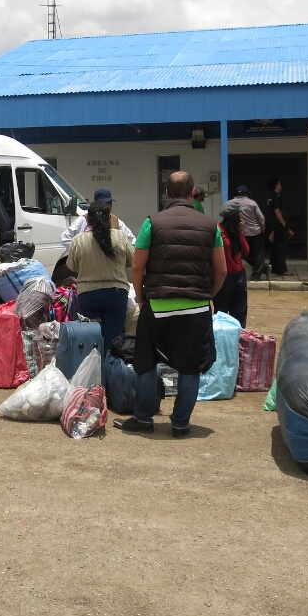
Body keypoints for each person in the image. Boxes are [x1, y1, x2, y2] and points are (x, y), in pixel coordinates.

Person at [116, 171, 226, 438]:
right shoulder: (211, 226)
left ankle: (143, 418)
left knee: (146, 361)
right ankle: (180, 423)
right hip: (196, 308)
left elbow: (137, 267)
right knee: (190, 366)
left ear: (166, 193)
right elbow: (222, 271)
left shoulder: (152, 223)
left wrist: (141, 298)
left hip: (158, 306)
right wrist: (206, 296)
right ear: (192, 193)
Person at [67, 201, 135, 349]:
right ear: (109, 217)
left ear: (87, 218)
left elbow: (71, 266)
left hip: (88, 295)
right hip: (116, 295)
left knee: (92, 341)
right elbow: (132, 260)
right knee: (114, 341)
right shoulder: (120, 237)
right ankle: (111, 362)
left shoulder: (78, 240)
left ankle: (94, 363)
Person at [60, 188, 136, 250]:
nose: (109, 206)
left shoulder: (115, 220)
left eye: (110, 203)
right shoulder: (84, 219)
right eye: (105, 203)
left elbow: (132, 240)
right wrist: (79, 252)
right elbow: (65, 237)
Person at [213, 200, 249, 327]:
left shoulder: (237, 231)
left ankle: (239, 337)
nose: (242, 215)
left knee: (240, 313)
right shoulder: (218, 230)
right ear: (235, 216)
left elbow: (246, 251)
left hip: (239, 275)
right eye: (240, 213)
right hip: (224, 277)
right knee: (221, 313)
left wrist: (240, 233)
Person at [232, 185, 266, 280]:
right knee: (258, 253)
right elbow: (261, 218)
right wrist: (262, 228)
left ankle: (262, 268)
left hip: (242, 232)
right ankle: (257, 274)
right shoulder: (252, 203)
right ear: (246, 194)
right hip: (256, 231)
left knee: (244, 253)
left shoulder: (232, 203)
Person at [266, 178, 293, 276]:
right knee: (282, 248)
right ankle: (282, 269)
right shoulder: (276, 196)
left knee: (275, 247)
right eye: (279, 184)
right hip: (279, 226)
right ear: (276, 185)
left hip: (273, 225)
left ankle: (274, 267)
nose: (281, 186)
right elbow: (277, 211)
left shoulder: (270, 196)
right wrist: (284, 224)